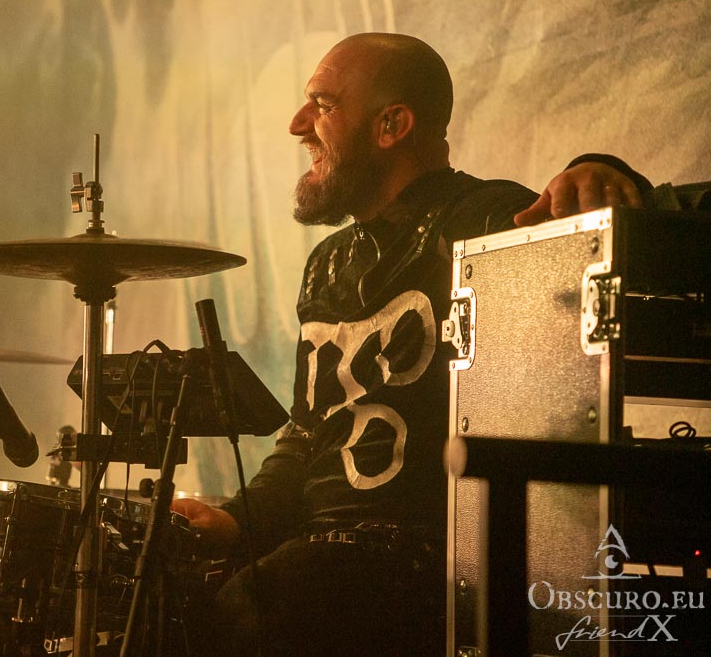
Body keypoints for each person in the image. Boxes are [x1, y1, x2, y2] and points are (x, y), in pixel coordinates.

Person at [172, 33, 651, 655]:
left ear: (391, 125)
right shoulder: (327, 263)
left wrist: (600, 169)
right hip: (321, 560)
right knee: (172, 599)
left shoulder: (486, 218)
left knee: (252, 608)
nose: (298, 124)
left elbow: (594, 234)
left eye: (322, 104)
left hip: (435, 564)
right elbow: (311, 435)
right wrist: (237, 517)